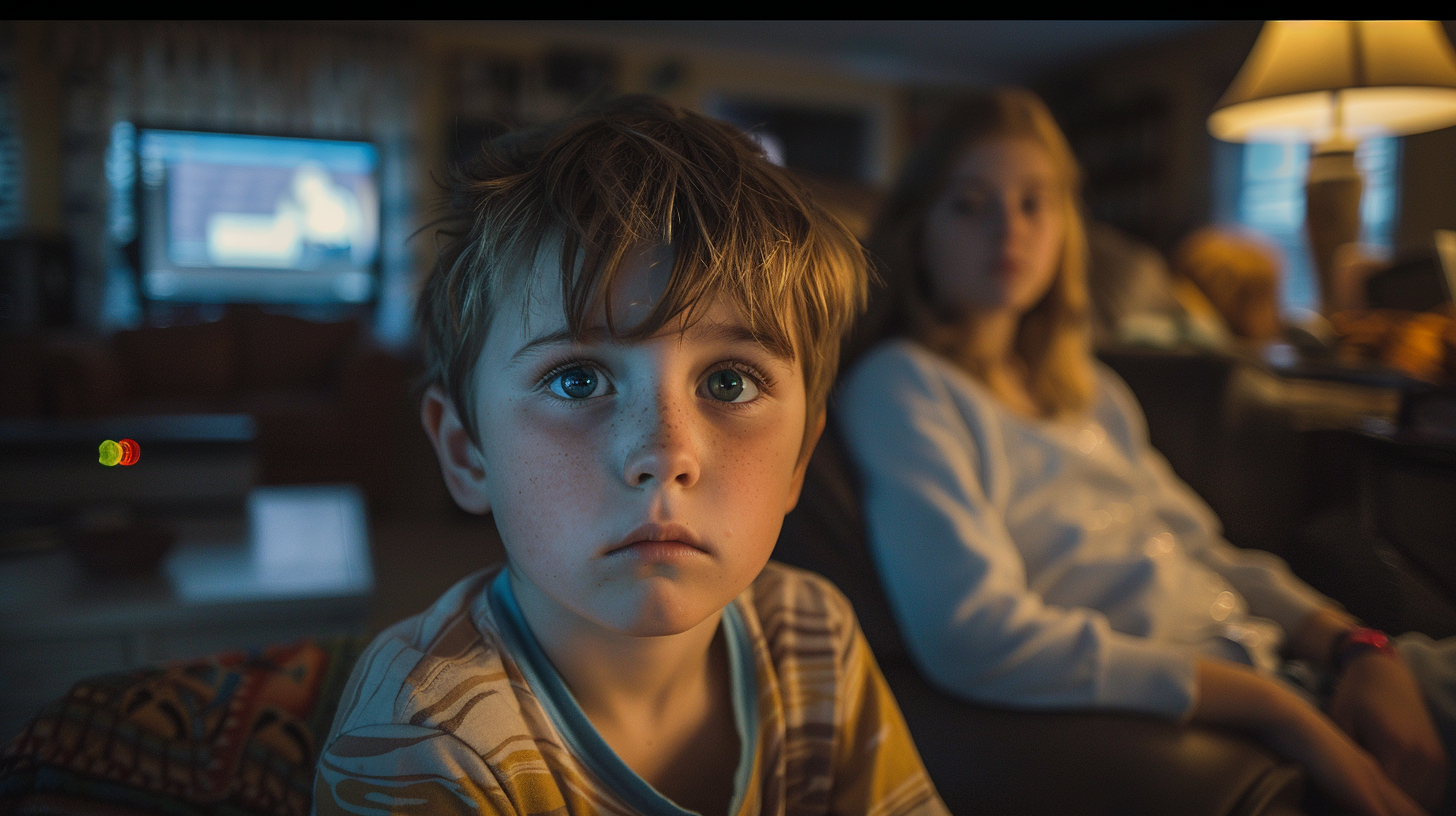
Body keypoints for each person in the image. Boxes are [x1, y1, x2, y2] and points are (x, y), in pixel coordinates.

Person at [312, 96, 948, 816]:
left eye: (728, 382)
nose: (664, 454)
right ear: (465, 452)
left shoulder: (814, 636)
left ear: (801, 456)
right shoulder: (421, 744)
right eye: (577, 380)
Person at [837, 88, 1456, 816]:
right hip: (1227, 691)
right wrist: (1277, 711)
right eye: (971, 204)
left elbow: (1207, 550)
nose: (1009, 229)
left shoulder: (1092, 390)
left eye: (1035, 202)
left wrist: (1358, 648)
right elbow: (974, 636)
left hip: (1292, 660)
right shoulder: (904, 386)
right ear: (919, 229)